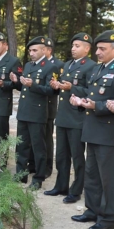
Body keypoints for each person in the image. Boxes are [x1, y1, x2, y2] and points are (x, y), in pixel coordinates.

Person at [70, 30, 114, 229]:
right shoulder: (99, 68)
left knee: (108, 178)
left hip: (110, 134)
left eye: (102, 49)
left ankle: (108, 217)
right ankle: (92, 210)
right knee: (92, 175)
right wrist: (82, 102)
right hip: (93, 130)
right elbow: (94, 94)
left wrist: (95, 107)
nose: (97, 52)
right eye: (97, 48)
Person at [44, 33, 97, 203]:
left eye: (77, 46)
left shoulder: (91, 66)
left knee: (77, 156)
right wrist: (57, 86)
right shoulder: (67, 65)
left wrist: (71, 87)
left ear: (87, 48)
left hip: (77, 118)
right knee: (61, 155)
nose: (73, 49)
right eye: (73, 45)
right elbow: (64, 87)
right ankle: (61, 185)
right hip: (63, 116)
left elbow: (91, 91)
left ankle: (76, 190)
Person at [11, 37, 57, 190]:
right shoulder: (28, 65)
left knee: (38, 147)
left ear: (44, 50)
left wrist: (33, 85)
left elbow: (51, 91)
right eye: (30, 50)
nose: (31, 53)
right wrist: (16, 81)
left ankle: (38, 178)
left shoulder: (50, 67)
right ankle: (21, 174)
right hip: (24, 111)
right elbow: (24, 88)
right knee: (21, 145)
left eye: (35, 50)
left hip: (37, 113)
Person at [42, 38, 63, 178]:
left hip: (48, 106)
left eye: (42, 48)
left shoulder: (58, 65)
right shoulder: (37, 64)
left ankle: (47, 167)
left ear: (49, 50)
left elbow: (57, 87)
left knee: (47, 137)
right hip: (36, 106)